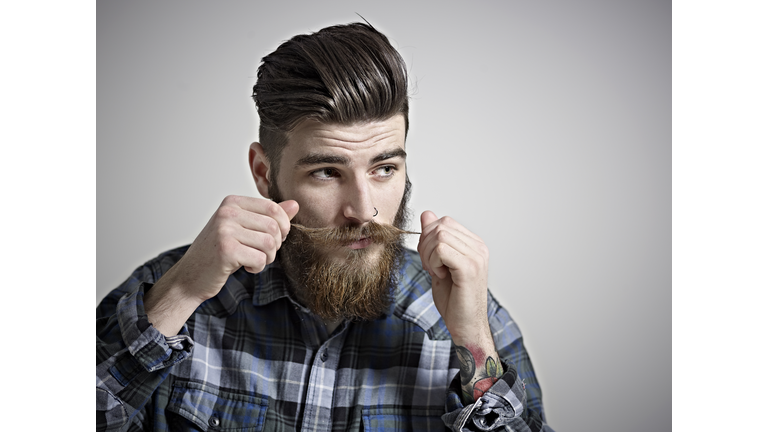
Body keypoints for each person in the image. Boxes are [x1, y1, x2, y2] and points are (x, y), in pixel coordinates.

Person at [97, 22, 554, 431]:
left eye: (384, 169)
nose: (363, 211)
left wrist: (473, 340)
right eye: (326, 173)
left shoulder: (468, 314)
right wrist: (180, 295)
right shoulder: (171, 292)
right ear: (263, 172)